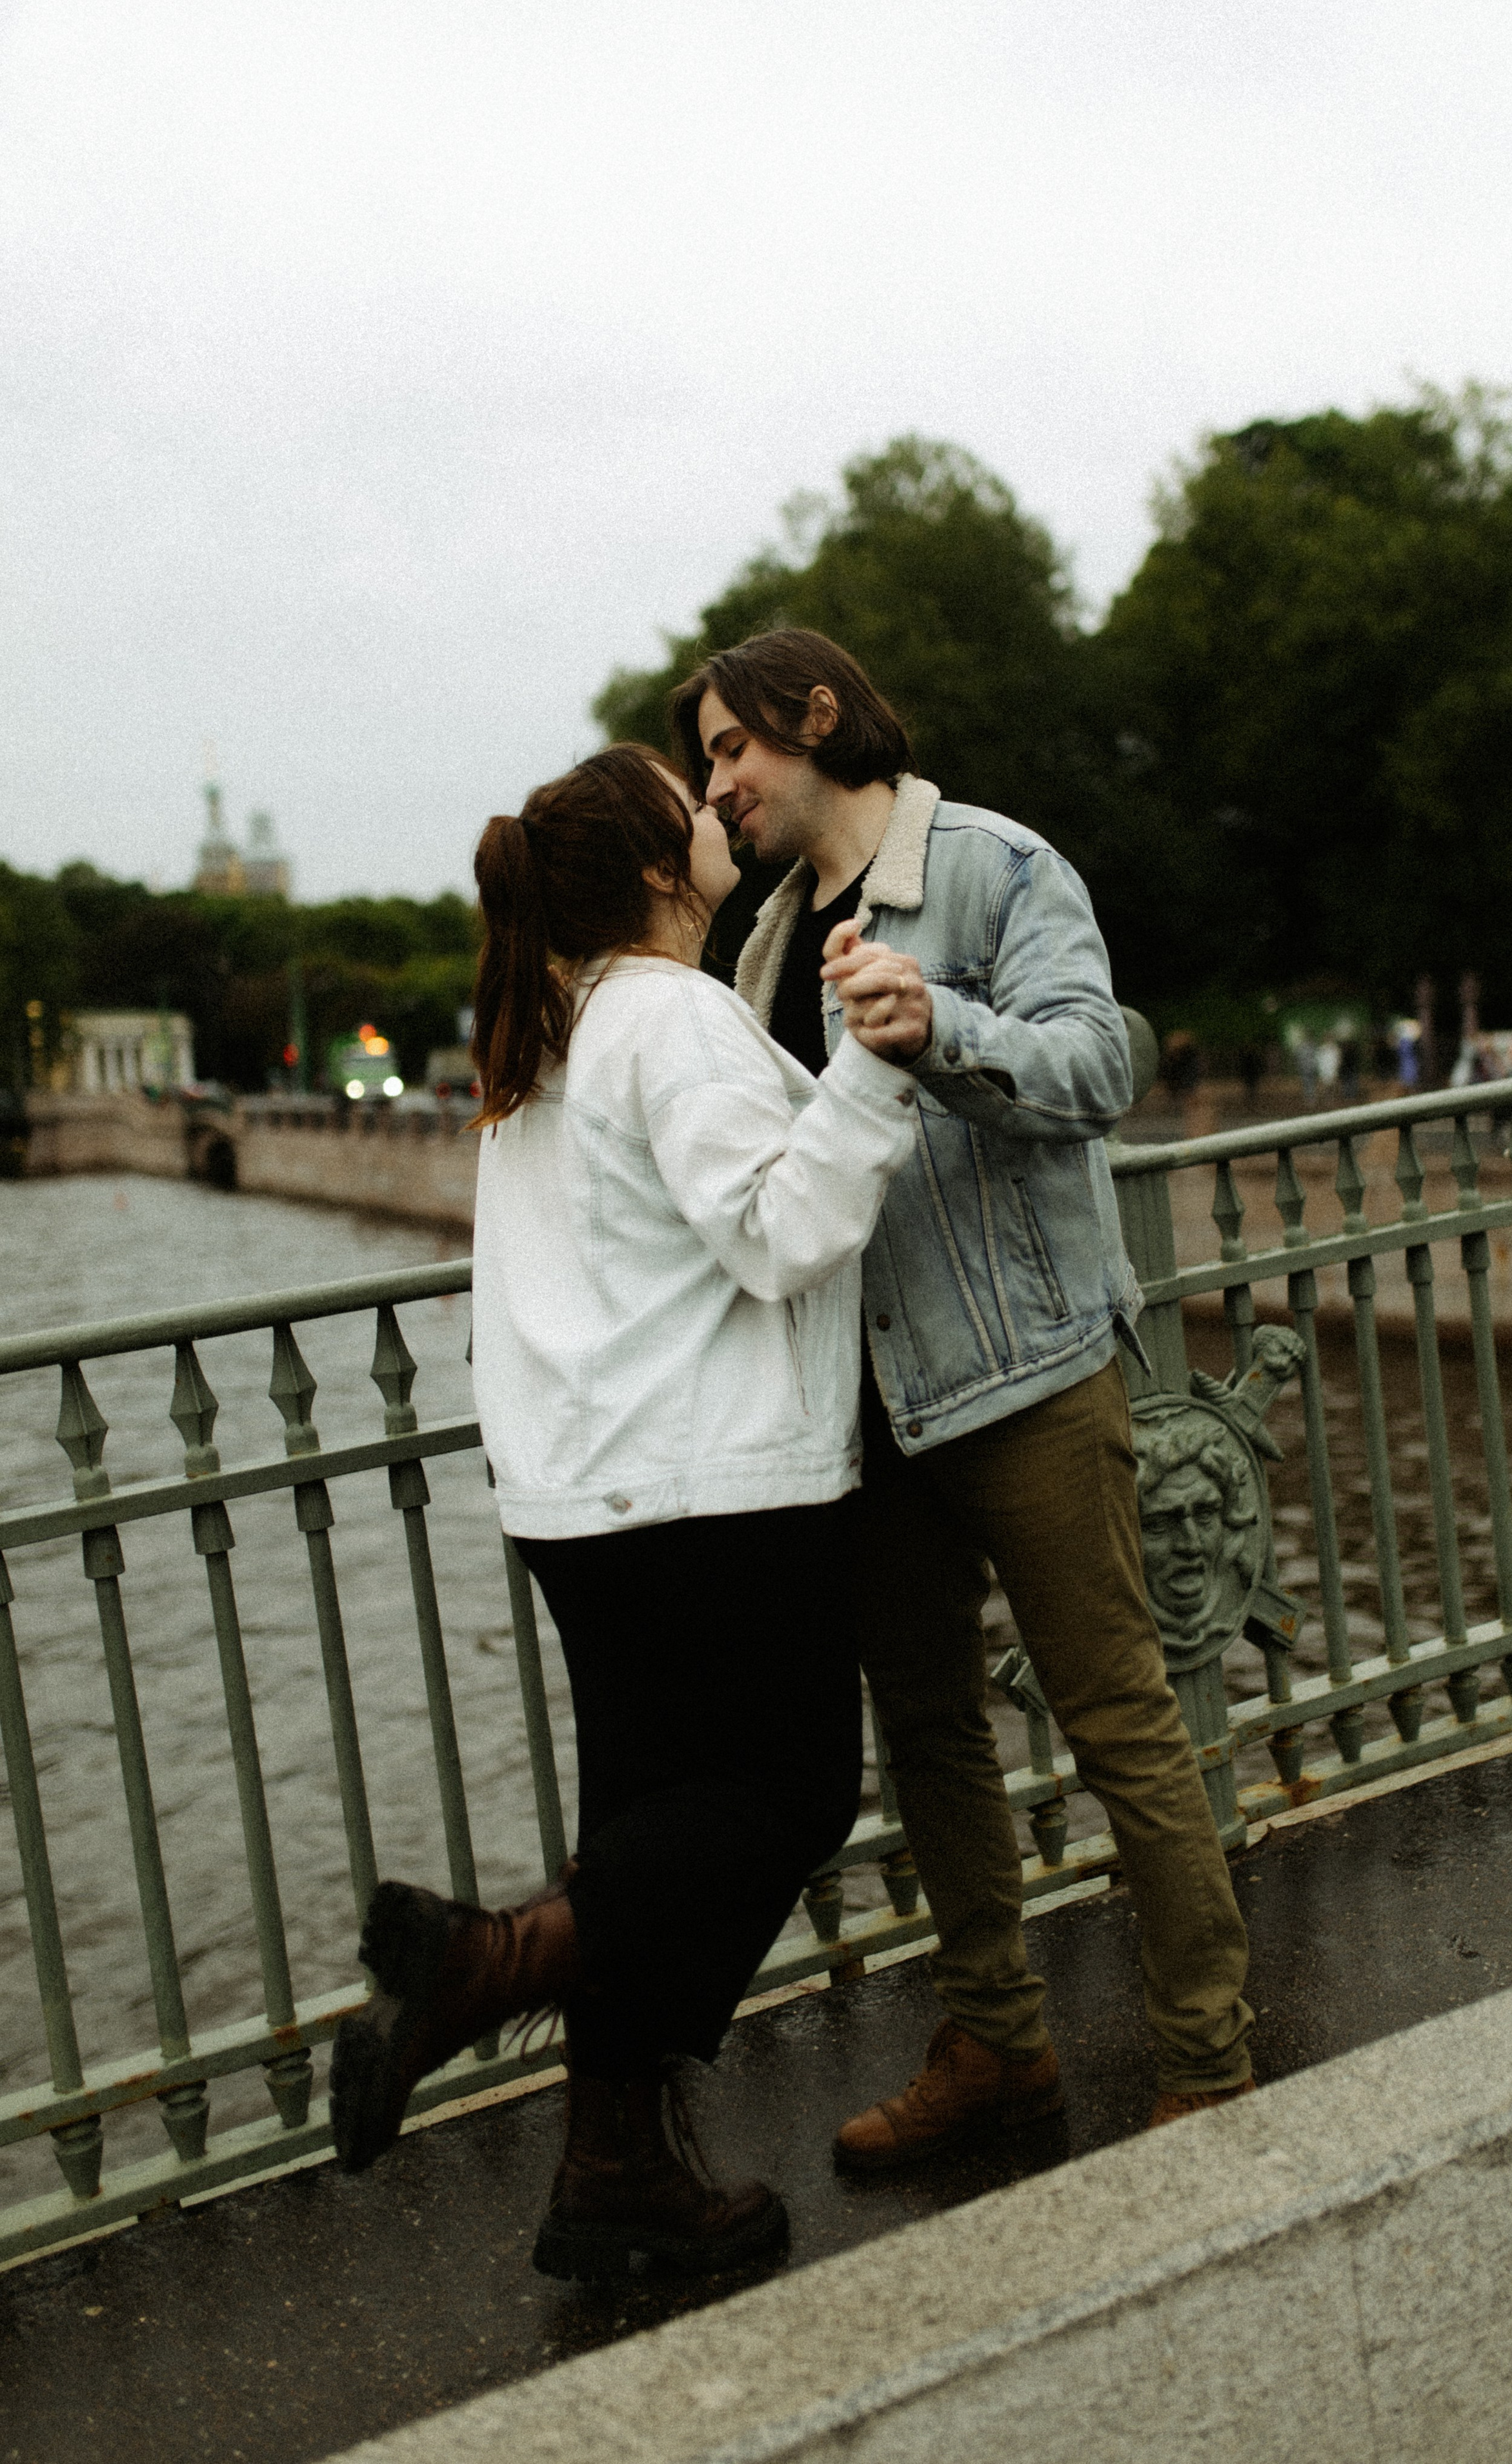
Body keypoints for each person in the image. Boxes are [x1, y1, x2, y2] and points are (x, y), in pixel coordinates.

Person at [327, 741, 919, 2279]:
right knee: (786, 1796)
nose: (717, 809)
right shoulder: (669, 1014)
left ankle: (612, 2171)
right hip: (707, 1487)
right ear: (664, 867)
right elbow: (781, 1233)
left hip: (580, 1496)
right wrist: (868, 1063)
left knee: (651, 1829)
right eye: (691, 799)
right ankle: (483, 1964)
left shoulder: (557, 1033)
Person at [669, 629, 1255, 2172]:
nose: (716, 784)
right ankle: (997, 2045)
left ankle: (1206, 2052)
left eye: (731, 748)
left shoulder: (995, 869)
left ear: (814, 718)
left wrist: (942, 1028)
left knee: (1117, 1718)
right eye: (705, 763)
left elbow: (1092, 1072)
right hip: (862, 1406)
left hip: (1027, 1376)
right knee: (927, 1734)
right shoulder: (762, 947)